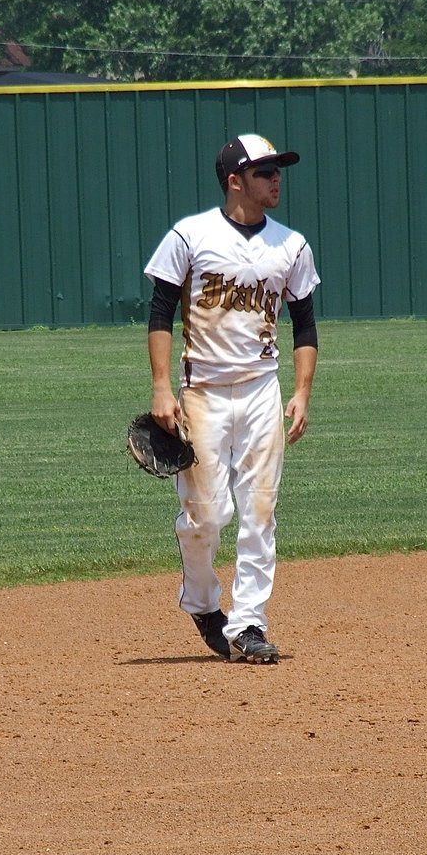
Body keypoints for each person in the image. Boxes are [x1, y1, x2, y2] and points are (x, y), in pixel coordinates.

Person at [144, 133, 320, 663]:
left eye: (278, 171)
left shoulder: (291, 245)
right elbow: (159, 313)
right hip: (203, 393)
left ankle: (247, 625)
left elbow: (305, 325)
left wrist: (302, 392)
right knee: (206, 515)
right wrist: (159, 387)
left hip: (262, 391)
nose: (276, 179)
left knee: (260, 511)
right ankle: (202, 603)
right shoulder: (190, 235)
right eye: (265, 171)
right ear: (235, 179)